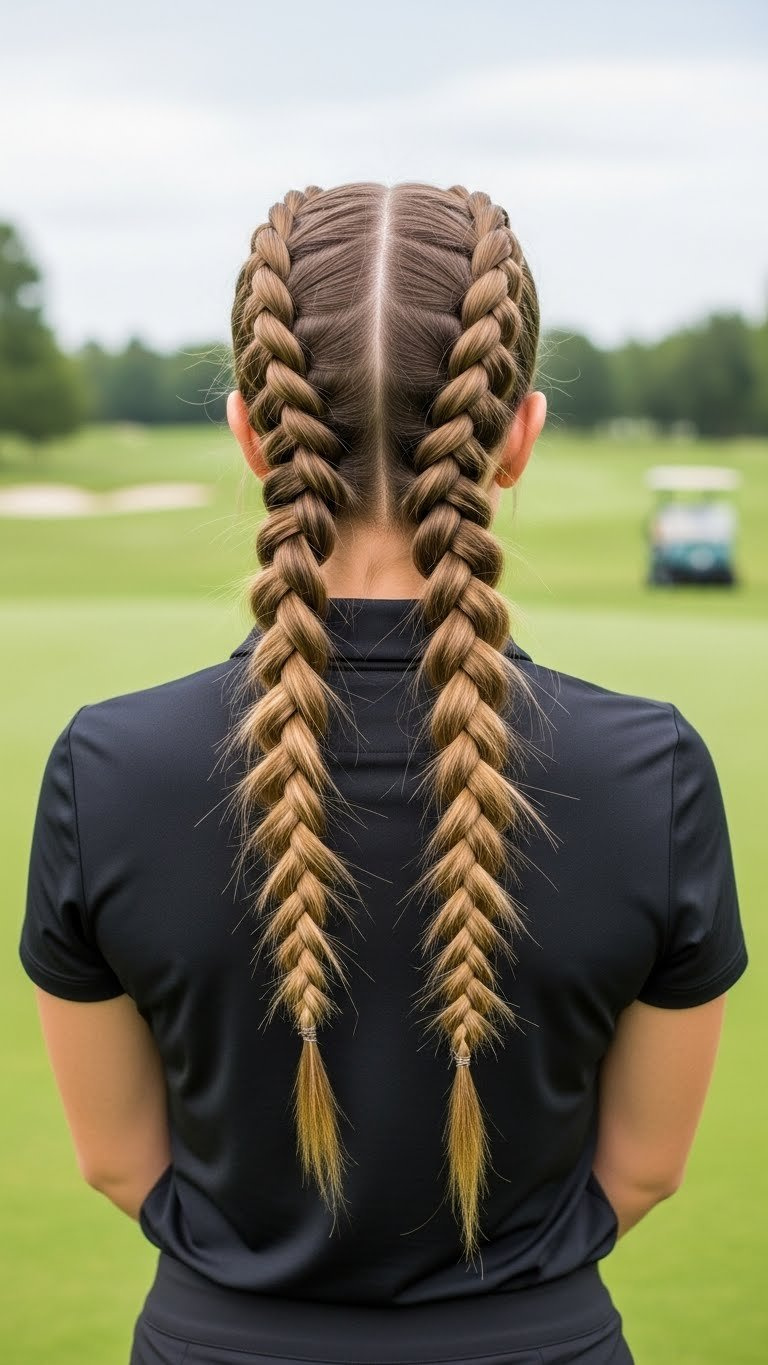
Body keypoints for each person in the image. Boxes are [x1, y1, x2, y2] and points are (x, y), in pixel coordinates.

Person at [18, 182, 749, 1365]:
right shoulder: (651, 772)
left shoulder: (106, 768)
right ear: (519, 434)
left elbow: (115, 1160)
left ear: (253, 436)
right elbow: (646, 1168)